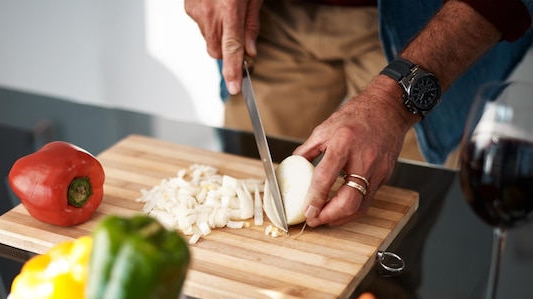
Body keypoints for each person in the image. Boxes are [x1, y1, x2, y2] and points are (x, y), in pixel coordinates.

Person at [185, 0, 533, 227]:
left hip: (427, 23)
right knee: (243, 190)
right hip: (270, 17)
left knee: (385, 232)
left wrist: (394, 102)